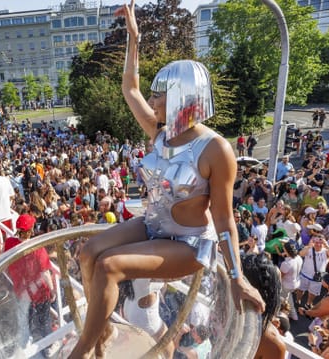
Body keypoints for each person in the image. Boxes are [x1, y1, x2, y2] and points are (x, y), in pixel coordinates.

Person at [67, 3, 265, 357]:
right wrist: (134, 39)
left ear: (182, 98)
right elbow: (130, 89)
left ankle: (81, 350)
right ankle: (104, 329)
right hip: (154, 226)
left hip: (188, 245)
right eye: (155, 94)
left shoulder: (216, 149)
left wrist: (237, 277)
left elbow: (224, 219)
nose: (153, 100)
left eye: (160, 94)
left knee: (110, 266)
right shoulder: (161, 134)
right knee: (87, 254)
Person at [4, 214, 59, 358]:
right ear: (30, 230)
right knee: (44, 320)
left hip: (21, 291)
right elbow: (46, 273)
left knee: (25, 318)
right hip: (40, 292)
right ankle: (49, 346)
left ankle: (25, 343)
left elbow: (5, 265)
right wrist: (53, 290)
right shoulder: (37, 248)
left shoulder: (10, 243)